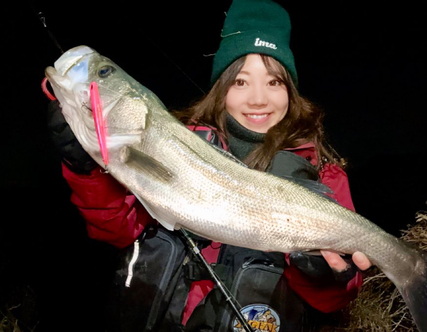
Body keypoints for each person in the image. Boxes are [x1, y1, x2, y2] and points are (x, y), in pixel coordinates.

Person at [46, 0, 371, 331]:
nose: (258, 98)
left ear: (291, 89)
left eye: (274, 82)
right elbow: (115, 228)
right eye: (240, 81)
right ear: (221, 86)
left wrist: (323, 274)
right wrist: (85, 170)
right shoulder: (176, 143)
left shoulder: (324, 175)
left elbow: (336, 296)